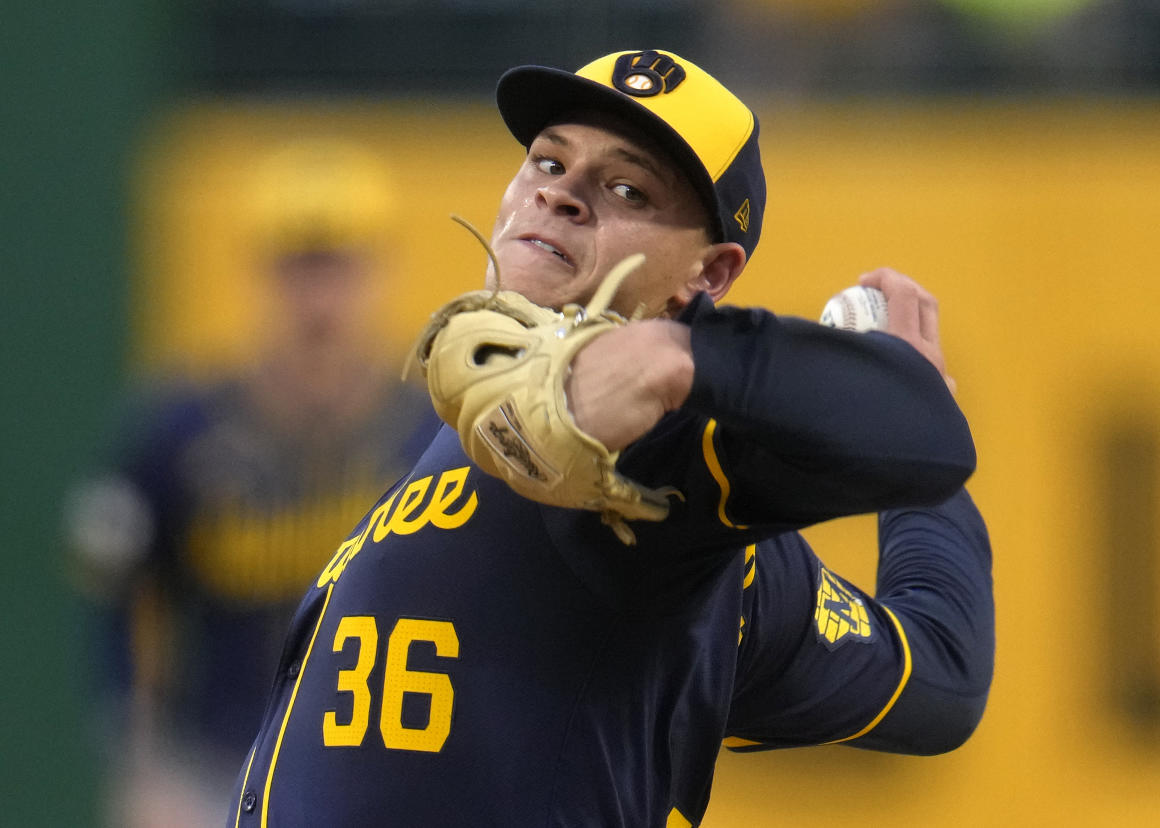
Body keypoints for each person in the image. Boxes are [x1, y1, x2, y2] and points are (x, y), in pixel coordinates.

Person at [229, 49, 993, 827]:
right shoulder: (494, 421)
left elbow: (922, 445)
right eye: (547, 161)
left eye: (627, 188)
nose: (559, 195)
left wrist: (685, 354)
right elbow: (943, 673)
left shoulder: (656, 467)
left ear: (709, 275)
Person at [63, 139, 440, 827]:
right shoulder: (180, 430)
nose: (320, 298)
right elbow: (110, 591)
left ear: (376, 273)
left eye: (339, 267)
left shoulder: (430, 437)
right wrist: (139, 765)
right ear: (265, 274)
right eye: (300, 268)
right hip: (210, 770)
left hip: (382, 775)